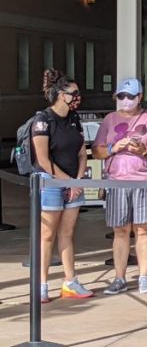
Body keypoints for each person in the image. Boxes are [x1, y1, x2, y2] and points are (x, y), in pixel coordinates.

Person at [93, 78, 147, 295]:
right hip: (117, 180)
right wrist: (114, 147)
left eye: (130, 96)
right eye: (121, 96)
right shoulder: (110, 119)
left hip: (145, 179)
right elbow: (97, 151)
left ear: (140, 97)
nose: (125, 100)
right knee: (120, 230)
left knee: (143, 229)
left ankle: (144, 276)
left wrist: (144, 150)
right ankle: (119, 277)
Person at [30, 70, 93, 303]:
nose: (77, 97)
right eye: (73, 93)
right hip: (50, 183)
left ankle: (70, 281)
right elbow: (44, 159)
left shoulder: (74, 119)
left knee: (67, 233)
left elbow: (81, 152)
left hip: (72, 183)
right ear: (59, 94)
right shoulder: (43, 120)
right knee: (47, 235)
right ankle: (42, 284)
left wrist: (76, 180)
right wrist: (66, 181)